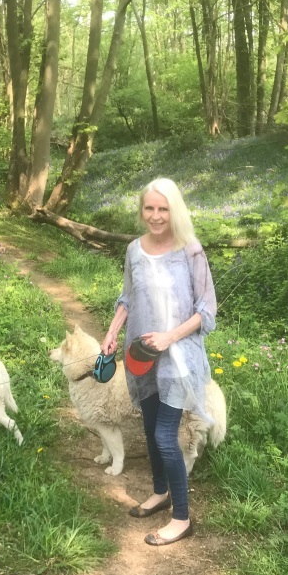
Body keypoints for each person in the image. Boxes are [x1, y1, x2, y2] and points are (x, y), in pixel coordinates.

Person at [101, 177, 217, 546]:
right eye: (149, 208)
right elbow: (127, 297)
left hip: (179, 357)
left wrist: (169, 337)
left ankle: (181, 518)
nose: (155, 216)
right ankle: (160, 491)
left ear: (175, 210)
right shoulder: (135, 250)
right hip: (142, 355)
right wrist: (112, 332)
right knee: (150, 429)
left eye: (163, 208)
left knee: (166, 436)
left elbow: (206, 311)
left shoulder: (190, 250)